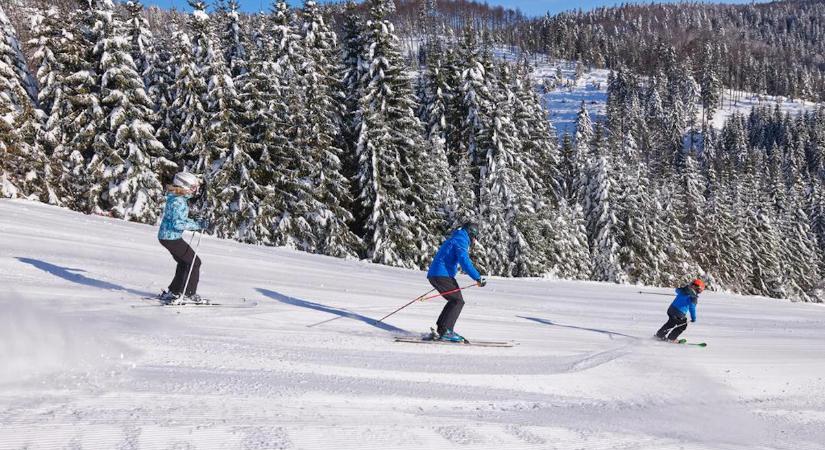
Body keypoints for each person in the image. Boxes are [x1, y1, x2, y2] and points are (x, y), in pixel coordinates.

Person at [426, 222, 487, 342]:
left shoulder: (457, 237)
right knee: (457, 301)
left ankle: (442, 329)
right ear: (471, 233)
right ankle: (446, 331)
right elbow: (464, 261)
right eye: (475, 237)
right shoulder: (461, 240)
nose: (474, 240)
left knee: (454, 300)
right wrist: (477, 277)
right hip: (441, 275)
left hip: (439, 274)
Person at [157, 172, 206, 304]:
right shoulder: (178, 201)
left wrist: (194, 220)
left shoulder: (177, 198)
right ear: (183, 186)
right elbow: (177, 224)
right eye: (193, 187)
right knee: (195, 262)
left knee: (185, 262)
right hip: (171, 238)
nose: (195, 190)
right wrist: (197, 225)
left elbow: (179, 218)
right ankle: (188, 293)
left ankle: (174, 291)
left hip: (169, 237)